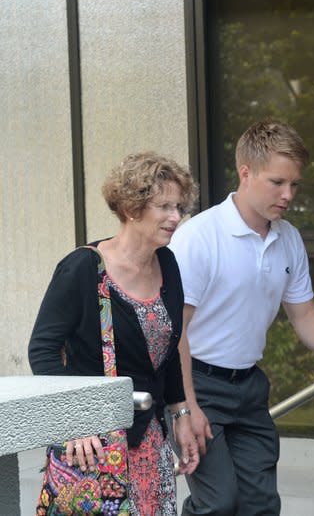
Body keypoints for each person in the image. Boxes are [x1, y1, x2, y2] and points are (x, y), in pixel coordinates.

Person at [169, 119, 314, 515]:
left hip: (249, 387)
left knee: (260, 505)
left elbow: (303, 311)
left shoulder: (287, 237)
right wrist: (185, 409)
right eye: (278, 182)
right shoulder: (199, 238)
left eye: (295, 184)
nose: (288, 194)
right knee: (218, 504)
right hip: (199, 385)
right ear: (246, 173)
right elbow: (176, 333)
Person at [29, 152, 200, 515]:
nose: (176, 217)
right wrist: (74, 421)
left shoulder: (166, 263)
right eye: (165, 206)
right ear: (132, 208)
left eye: (180, 207)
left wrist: (181, 415)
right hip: (92, 444)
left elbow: (166, 350)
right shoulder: (83, 268)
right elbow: (42, 349)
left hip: (149, 442)